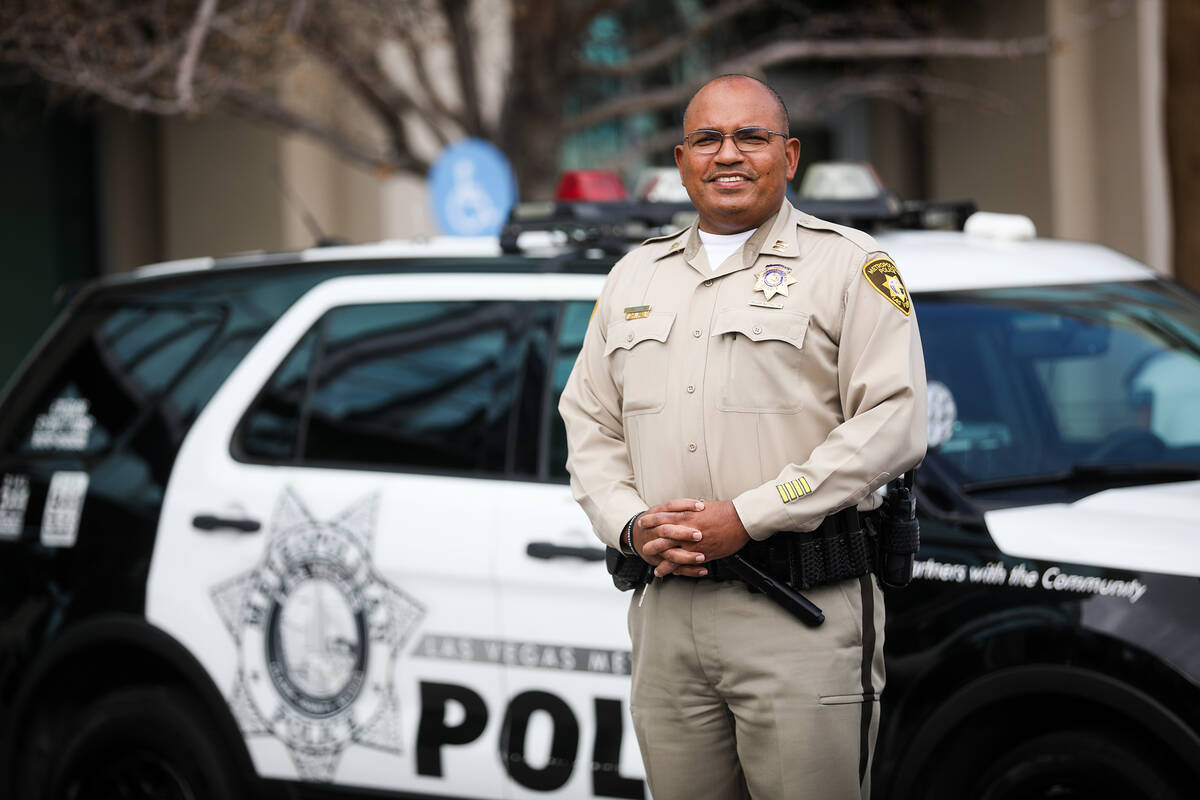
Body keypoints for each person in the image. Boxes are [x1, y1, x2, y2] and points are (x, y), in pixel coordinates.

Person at [559, 74, 926, 799]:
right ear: (682, 158)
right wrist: (631, 524)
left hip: (800, 611)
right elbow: (589, 424)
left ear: (788, 157)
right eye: (707, 139)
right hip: (667, 615)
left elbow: (892, 423)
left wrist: (751, 514)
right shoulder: (635, 276)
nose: (728, 154)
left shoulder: (850, 266)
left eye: (750, 137)